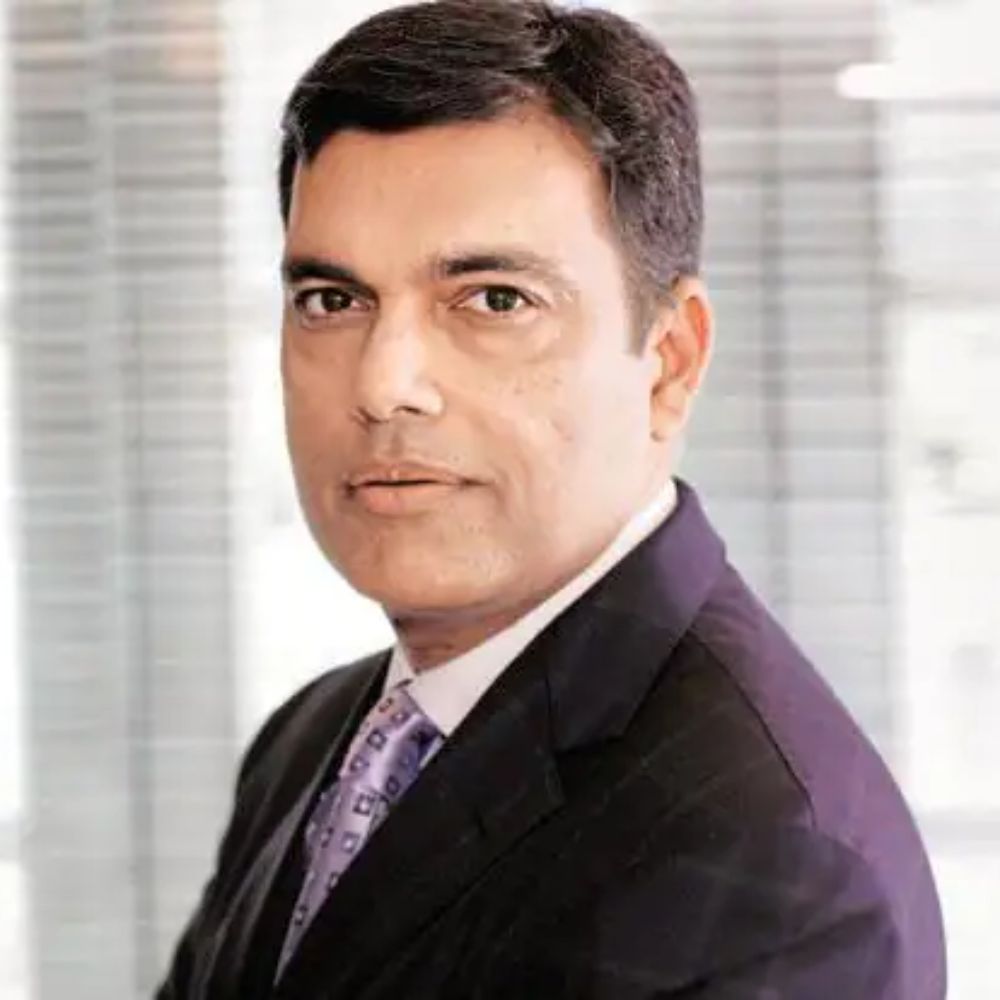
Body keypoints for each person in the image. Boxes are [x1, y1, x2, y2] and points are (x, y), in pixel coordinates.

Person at [156, 2, 946, 997]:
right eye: (333, 300)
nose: (383, 383)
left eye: (493, 299)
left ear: (669, 361)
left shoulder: (774, 862)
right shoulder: (311, 740)